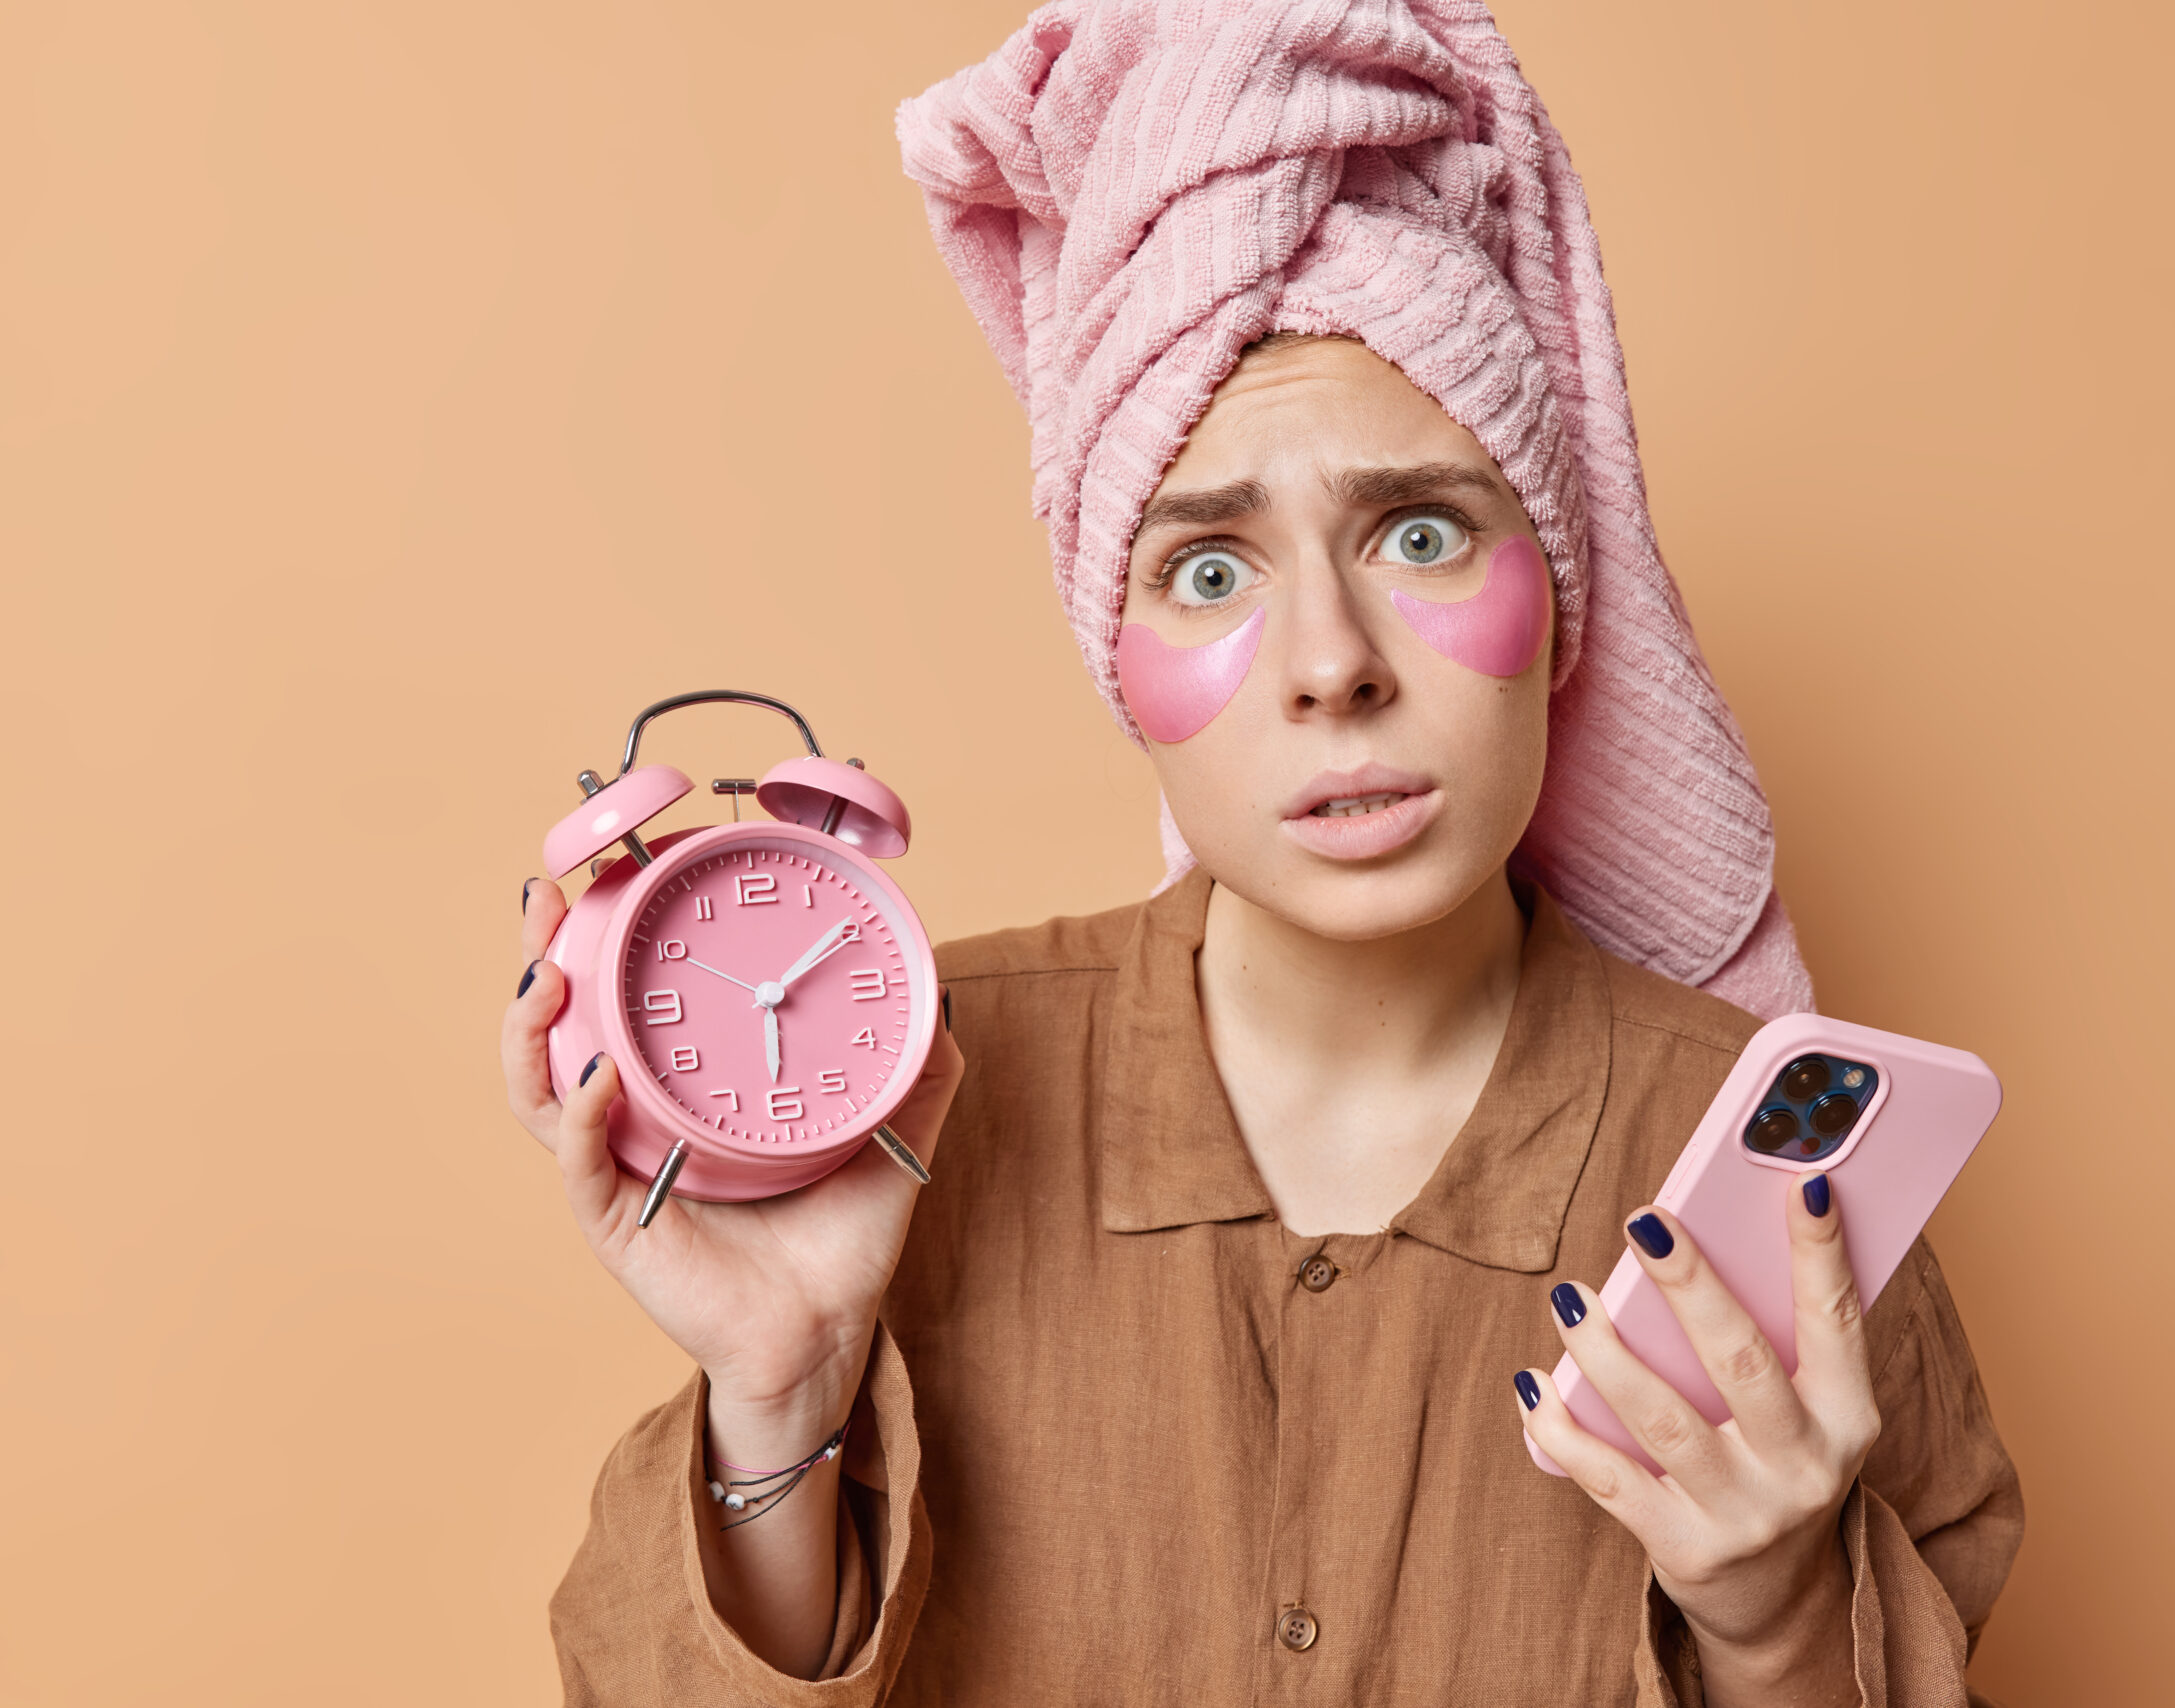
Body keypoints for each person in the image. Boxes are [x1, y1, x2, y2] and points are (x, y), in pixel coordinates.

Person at [502, 4, 2022, 1702]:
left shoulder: (1767, 1185)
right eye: (1210, 572)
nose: (1332, 660)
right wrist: (780, 1402)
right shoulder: (903, 1100)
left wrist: (1775, 1617)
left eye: (1423, 533)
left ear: (1564, 603)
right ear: (1116, 654)